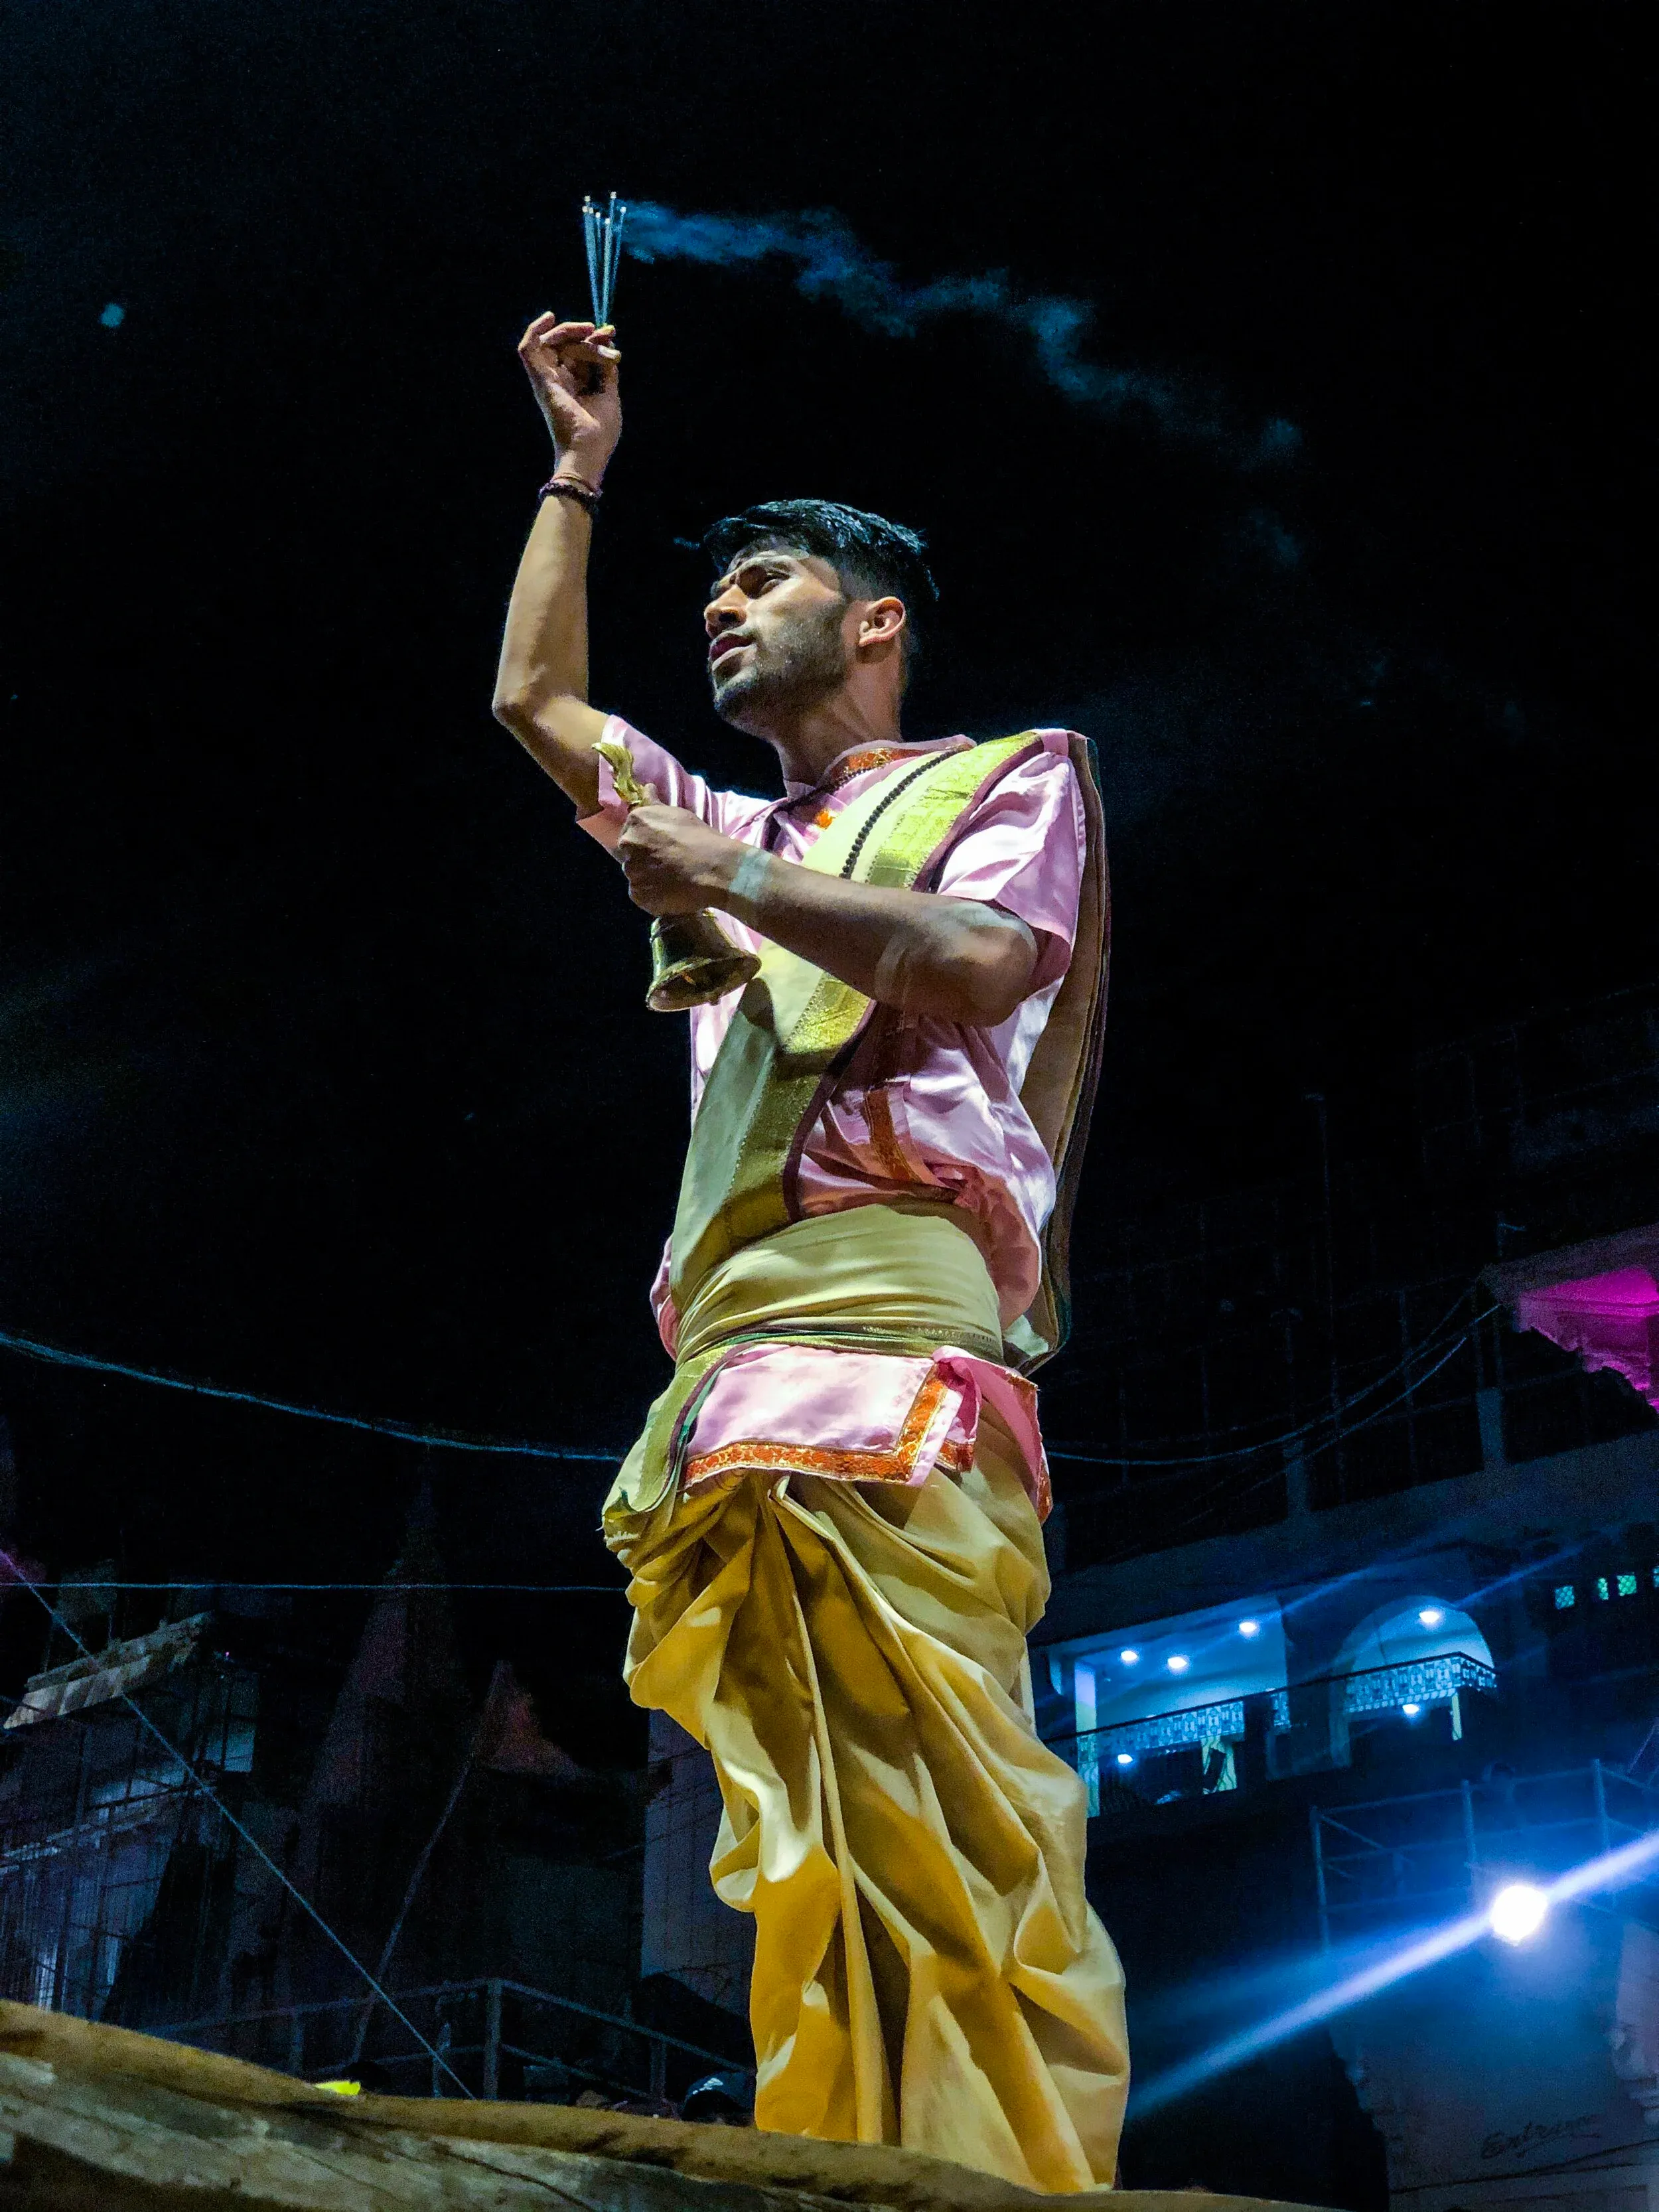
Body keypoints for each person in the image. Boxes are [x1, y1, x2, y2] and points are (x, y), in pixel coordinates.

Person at [492, 312, 1128, 2193]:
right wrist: (575, 465)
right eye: (709, 592)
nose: (719, 612)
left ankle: (995, 2171)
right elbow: (534, 704)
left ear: (876, 621)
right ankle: (846, 2159)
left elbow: (977, 962)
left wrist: (732, 887)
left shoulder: (1010, 775)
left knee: (946, 1816)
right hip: (728, 1373)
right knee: (795, 1836)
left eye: (761, 581)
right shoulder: (726, 823)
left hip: (896, 1329)